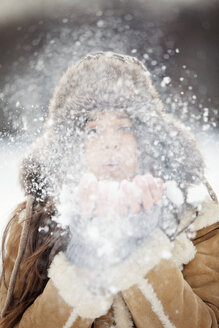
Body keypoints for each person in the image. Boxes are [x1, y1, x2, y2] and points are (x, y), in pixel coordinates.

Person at [0, 51, 218, 328]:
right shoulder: (32, 225)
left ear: (147, 138)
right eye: (93, 130)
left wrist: (145, 249)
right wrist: (83, 262)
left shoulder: (199, 221)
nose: (110, 143)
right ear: (69, 145)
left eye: (124, 127)